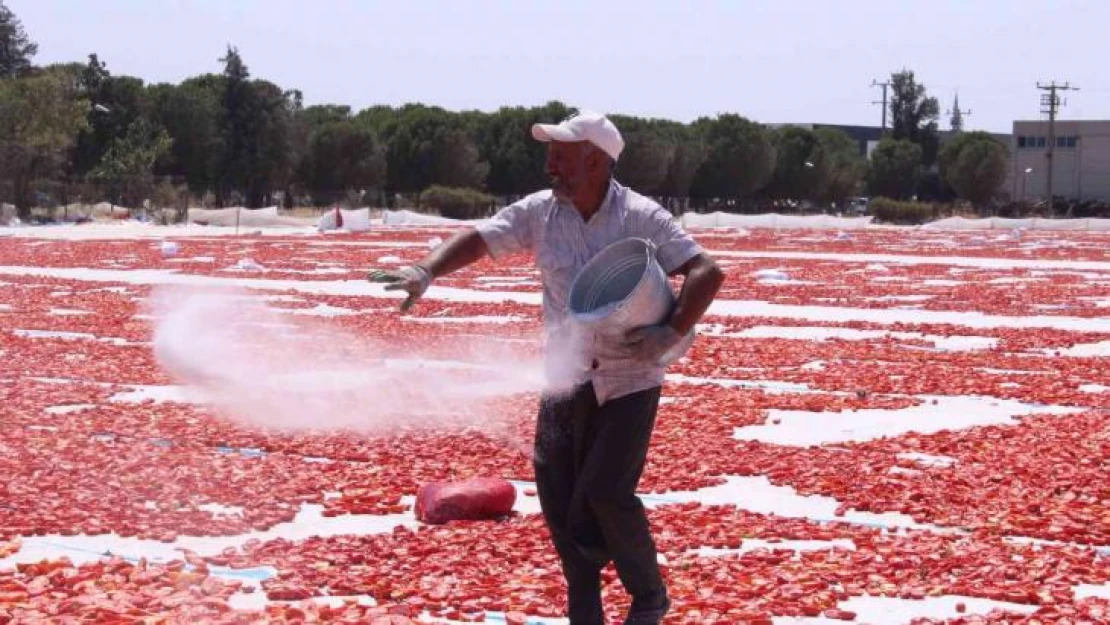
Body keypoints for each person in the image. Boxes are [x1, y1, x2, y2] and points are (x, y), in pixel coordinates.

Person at [368, 110, 724, 624]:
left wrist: (671, 331)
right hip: (566, 376)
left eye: (562, 155)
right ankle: (586, 608)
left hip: (629, 378)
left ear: (597, 161)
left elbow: (707, 270)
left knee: (604, 491)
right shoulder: (541, 212)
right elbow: (482, 237)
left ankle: (648, 598)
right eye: (551, 154)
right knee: (558, 497)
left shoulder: (641, 217)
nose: (551, 164)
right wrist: (426, 270)